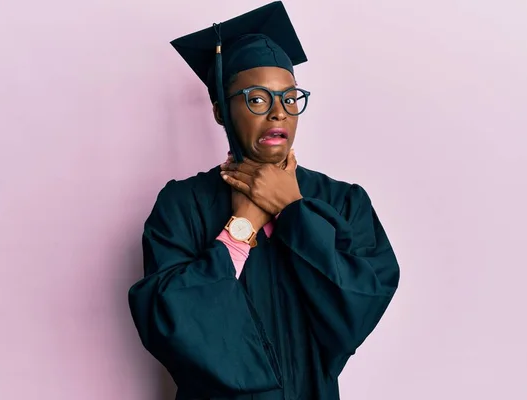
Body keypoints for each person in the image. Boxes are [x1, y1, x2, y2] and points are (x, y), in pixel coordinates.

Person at [128, 2, 400, 399]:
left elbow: (358, 309)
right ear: (221, 112)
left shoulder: (342, 200)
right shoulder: (183, 203)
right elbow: (167, 320)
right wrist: (242, 227)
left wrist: (292, 211)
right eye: (257, 99)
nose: (278, 114)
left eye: (290, 99)